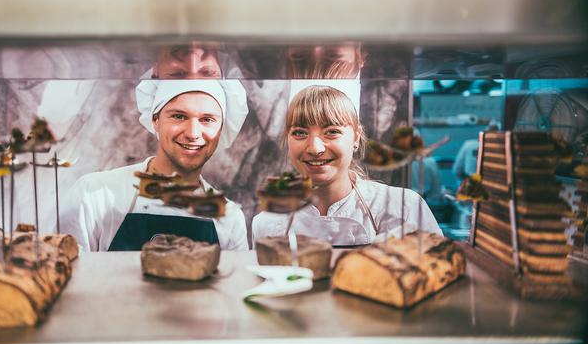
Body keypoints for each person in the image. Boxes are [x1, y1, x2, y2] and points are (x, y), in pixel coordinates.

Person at [60, 79, 249, 252]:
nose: (193, 133)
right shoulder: (95, 195)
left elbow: (234, 288)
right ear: (155, 120)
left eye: (207, 119)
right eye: (179, 116)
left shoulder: (230, 218)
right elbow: (67, 279)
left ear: (221, 129)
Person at [252, 84, 442, 246]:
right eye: (300, 133)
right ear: (287, 139)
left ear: (356, 138)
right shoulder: (267, 223)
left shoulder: (405, 207)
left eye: (332, 131)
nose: (315, 148)